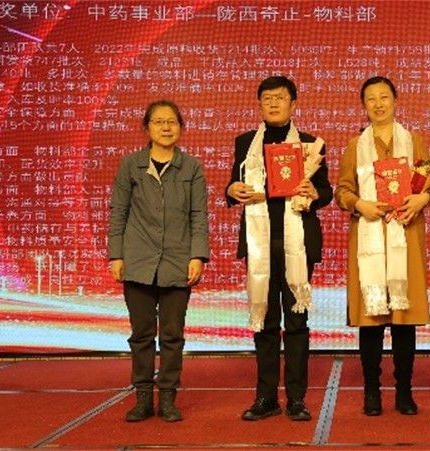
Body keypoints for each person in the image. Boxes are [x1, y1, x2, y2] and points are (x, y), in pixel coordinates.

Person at [225, 76, 332, 422]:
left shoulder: (310, 144)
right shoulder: (245, 143)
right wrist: (232, 190)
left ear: (293, 104)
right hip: (260, 245)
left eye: (280, 98)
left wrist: (315, 193)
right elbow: (233, 185)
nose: (273, 103)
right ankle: (266, 397)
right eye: (267, 98)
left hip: (297, 244)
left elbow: (326, 191)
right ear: (260, 104)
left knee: (297, 323)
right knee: (266, 324)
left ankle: (296, 399)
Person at [334, 76, 430, 416]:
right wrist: (358, 204)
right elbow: (342, 190)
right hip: (368, 237)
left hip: (405, 237)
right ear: (363, 106)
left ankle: (404, 391)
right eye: (371, 99)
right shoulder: (355, 146)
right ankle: (372, 391)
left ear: (396, 100)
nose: (378, 104)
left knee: (404, 319)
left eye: (384, 97)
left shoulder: (415, 142)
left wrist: (421, 198)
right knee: (372, 319)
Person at [109, 100, 210, 422]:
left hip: (177, 262)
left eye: (172, 122)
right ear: (147, 128)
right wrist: (116, 255)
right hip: (137, 262)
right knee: (141, 335)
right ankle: (142, 397)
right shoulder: (130, 165)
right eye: (159, 122)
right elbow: (118, 212)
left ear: (180, 127)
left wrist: (197, 255)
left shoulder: (191, 167)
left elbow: (199, 216)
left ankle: (167, 397)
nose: (166, 127)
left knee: (172, 335)